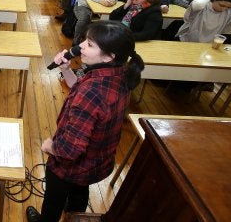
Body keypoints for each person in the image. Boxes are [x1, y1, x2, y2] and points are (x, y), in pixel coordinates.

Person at [26, 21, 144, 222]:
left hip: (70, 166)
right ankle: (74, 215)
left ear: (109, 56)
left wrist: (50, 147)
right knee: (79, 193)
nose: (80, 46)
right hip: (96, 162)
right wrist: (66, 68)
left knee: (52, 203)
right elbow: (80, 91)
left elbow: (69, 150)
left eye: (89, 44)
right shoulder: (119, 72)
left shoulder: (93, 91)